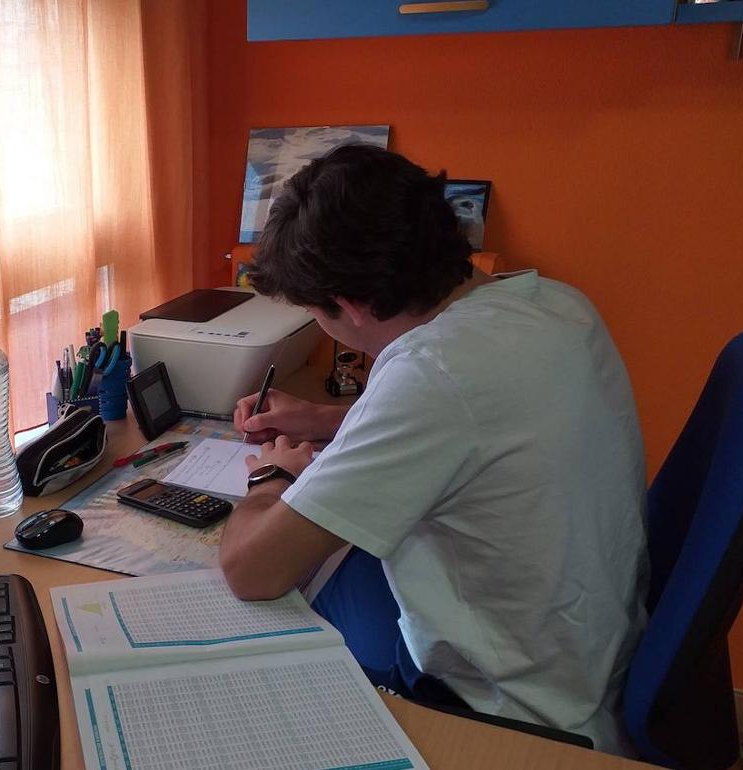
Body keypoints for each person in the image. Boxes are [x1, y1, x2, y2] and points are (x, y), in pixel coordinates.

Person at [219, 143, 648, 756]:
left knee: (258, 639)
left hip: (510, 707)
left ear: (351, 306)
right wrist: (325, 418)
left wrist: (272, 476)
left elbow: (251, 571)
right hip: (588, 649)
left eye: (317, 313)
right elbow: (480, 428)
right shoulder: (553, 304)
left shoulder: (433, 372)